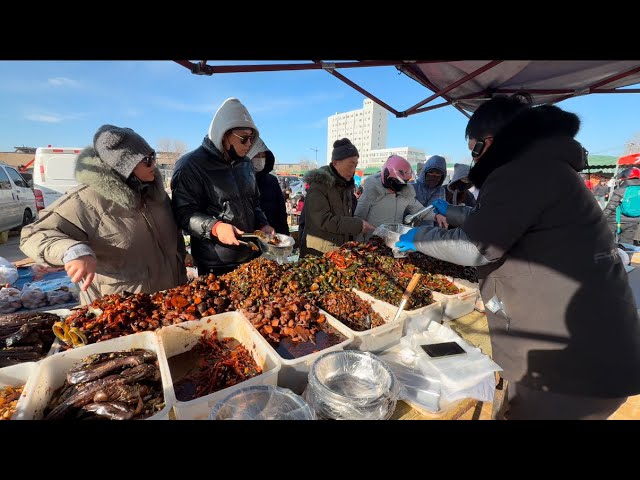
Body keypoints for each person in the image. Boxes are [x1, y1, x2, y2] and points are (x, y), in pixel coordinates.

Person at [395, 95, 640, 419]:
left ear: (494, 140)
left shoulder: (524, 170)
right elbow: (501, 223)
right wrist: (453, 212)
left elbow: (477, 246)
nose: (475, 160)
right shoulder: (543, 167)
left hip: (570, 366)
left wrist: (420, 237)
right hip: (594, 351)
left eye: (475, 150)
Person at [20, 124, 187, 304]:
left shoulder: (156, 196)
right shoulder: (87, 200)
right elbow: (33, 235)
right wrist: (73, 251)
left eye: (153, 156)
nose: (154, 164)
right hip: (123, 314)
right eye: (147, 159)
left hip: (172, 303)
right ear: (124, 166)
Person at [171, 98, 274, 276]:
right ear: (224, 134)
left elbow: (254, 203)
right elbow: (183, 213)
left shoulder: (246, 165)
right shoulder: (191, 165)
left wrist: (263, 223)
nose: (249, 144)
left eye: (252, 138)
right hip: (215, 262)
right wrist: (215, 227)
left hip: (250, 256)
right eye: (244, 139)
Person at [300, 138, 374, 256]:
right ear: (335, 163)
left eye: (355, 165)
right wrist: (357, 225)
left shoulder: (345, 186)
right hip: (318, 251)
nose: (353, 170)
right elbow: (323, 220)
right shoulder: (319, 184)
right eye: (350, 165)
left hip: (338, 249)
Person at [354, 154, 425, 241]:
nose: (401, 186)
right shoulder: (372, 192)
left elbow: (421, 211)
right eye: (398, 182)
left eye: (404, 183)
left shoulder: (405, 195)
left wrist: (438, 215)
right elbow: (359, 219)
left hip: (394, 242)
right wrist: (359, 244)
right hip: (372, 243)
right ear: (387, 177)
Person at [247, 138, 289, 235]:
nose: (261, 159)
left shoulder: (272, 180)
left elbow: (281, 211)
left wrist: (284, 234)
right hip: (251, 236)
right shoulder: (241, 181)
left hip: (272, 234)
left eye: (263, 156)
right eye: (257, 155)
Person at [602, 167, 640, 245]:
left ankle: (612, 256)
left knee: (609, 244)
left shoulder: (621, 191)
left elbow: (610, 207)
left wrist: (600, 218)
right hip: (634, 222)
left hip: (616, 221)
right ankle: (627, 256)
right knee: (627, 245)